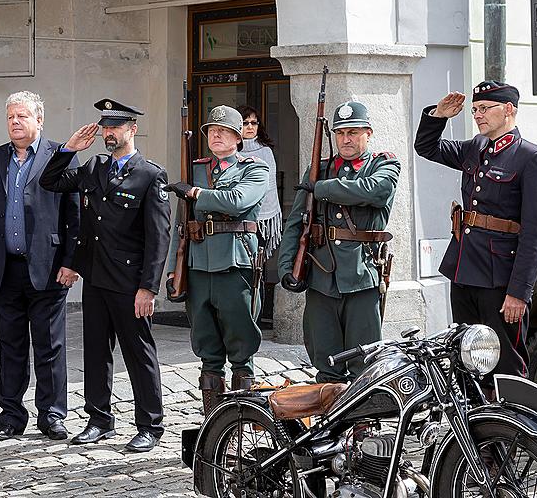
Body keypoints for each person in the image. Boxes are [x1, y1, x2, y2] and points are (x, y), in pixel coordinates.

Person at [39, 98, 170, 453]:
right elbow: (50, 181)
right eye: (105, 127)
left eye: (115, 127)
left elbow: (159, 238)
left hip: (129, 284)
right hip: (96, 277)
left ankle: (149, 424)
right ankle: (99, 419)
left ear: (132, 129)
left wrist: (148, 287)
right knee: (96, 352)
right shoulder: (95, 166)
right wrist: (68, 149)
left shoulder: (150, 174)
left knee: (138, 353)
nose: (108, 133)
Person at [414, 81, 537, 384]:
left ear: (509, 110)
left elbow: (535, 232)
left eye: (485, 108)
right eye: (475, 109)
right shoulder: (476, 148)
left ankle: (511, 428)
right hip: (464, 271)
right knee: (466, 357)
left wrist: (519, 292)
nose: (477, 115)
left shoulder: (531, 158)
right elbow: (426, 147)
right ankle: (471, 427)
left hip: (500, 279)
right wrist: (438, 115)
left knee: (505, 362)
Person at [0, 91, 80, 442]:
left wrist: (71, 263)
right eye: (11, 117)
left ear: (39, 120)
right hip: (6, 269)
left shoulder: (60, 157)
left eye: (22, 116)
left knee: (49, 347)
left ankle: (52, 414)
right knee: (11, 347)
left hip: (48, 269)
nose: (15, 122)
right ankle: (11, 415)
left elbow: (75, 217)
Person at [277, 101, 400, 383]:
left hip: (361, 276)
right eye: (340, 133)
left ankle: (362, 427)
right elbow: (296, 223)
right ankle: (331, 425)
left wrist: (321, 188)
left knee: (364, 363)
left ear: (368, 133)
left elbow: (373, 191)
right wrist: (286, 267)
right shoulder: (318, 168)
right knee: (326, 362)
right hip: (322, 277)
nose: (346, 138)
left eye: (353, 132)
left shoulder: (384, 164)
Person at [164, 105, 269, 414]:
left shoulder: (254, 168)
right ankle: (214, 420)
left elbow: (237, 202)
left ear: (238, 137)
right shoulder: (196, 169)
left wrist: (195, 193)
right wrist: (174, 268)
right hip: (198, 266)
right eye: (211, 131)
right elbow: (182, 226)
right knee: (207, 349)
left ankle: (243, 417)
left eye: (224, 131)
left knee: (241, 347)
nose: (217, 135)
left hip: (236, 265)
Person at [238, 106, 282, 258]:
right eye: (245, 123)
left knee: (258, 262)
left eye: (254, 123)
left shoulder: (265, 151)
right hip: (236, 217)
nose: (250, 127)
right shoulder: (230, 151)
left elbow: (269, 187)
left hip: (261, 219)